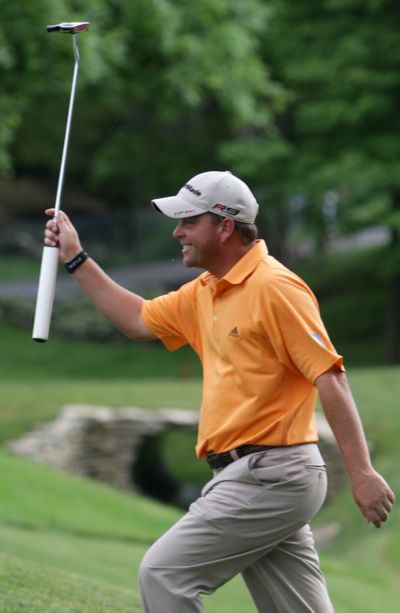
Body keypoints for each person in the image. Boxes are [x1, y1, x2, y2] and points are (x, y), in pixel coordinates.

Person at [44, 170, 394, 612]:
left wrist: (361, 473)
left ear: (225, 226)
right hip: (254, 475)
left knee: (164, 574)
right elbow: (138, 319)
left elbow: (331, 377)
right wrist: (76, 258)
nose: (177, 232)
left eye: (188, 222)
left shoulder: (275, 287)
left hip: (272, 475)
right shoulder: (205, 291)